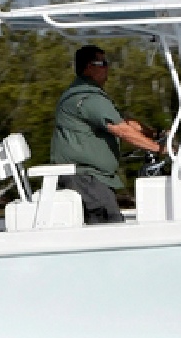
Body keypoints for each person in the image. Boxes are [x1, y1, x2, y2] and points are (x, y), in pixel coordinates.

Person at [51, 45, 165, 224]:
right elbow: (121, 130)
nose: (107, 67)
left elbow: (124, 123)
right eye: (103, 63)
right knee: (112, 226)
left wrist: (155, 133)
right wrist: (159, 149)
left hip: (89, 178)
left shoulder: (86, 94)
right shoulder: (87, 97)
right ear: (89, 67)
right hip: (85, 179)